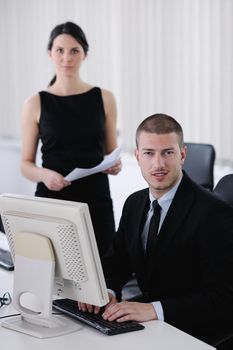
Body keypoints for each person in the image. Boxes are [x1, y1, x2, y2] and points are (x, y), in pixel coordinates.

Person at [79, 113, 233, 346]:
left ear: (182, 155)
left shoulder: (212, 213)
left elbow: (223, 298)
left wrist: (154, 309)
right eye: (149, 153)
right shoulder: (135, 203)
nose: (158, 164)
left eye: (168, 153)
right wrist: (106, 291)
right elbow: (116, 261)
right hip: (152, 321)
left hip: (194, 327)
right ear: (137, 156)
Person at [20, 21, 121, 257]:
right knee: (55, 278)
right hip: (53, 199)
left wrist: (115, 165)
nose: (67, 57)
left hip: (96, 200)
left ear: (85, 54)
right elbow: (25, 164)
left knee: (103, 274)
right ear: (50, 53)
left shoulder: (105, 98)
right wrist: (45, 175)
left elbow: (111, 154)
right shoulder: (35, 103)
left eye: (74, 50)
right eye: (60, 50)